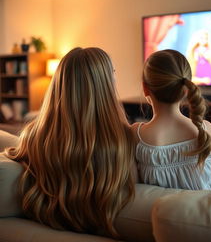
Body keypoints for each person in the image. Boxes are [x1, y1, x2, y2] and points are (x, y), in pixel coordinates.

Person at [4, 47, 136, 238]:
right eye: (113, 73)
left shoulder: (32, 137)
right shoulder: (125, 139)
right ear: (104, 83)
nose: (115, 78)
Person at [132, 49, 211, 190]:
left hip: (162, 211)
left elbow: (134, 180)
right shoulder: (206, 129)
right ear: (186, 89)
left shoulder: (136, 135)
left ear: (145, 88)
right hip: (207, 209)